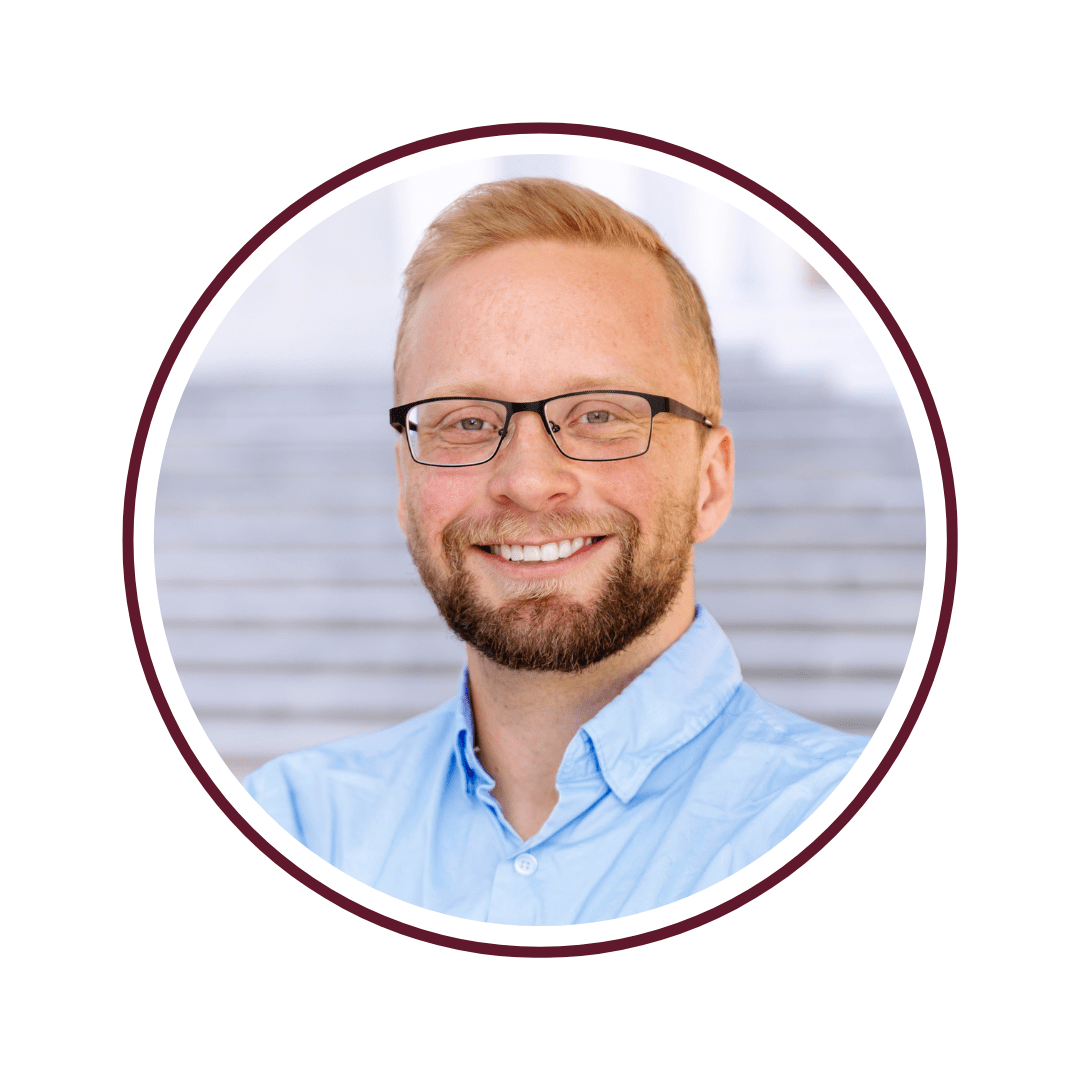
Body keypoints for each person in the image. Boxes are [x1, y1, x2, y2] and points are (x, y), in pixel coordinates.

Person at [245, 177, 868, 925]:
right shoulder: (292, 831)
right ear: (406, 484)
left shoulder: (850, 831)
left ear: (710, 483)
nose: (529, 482)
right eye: (466, 422)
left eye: (601, 414)